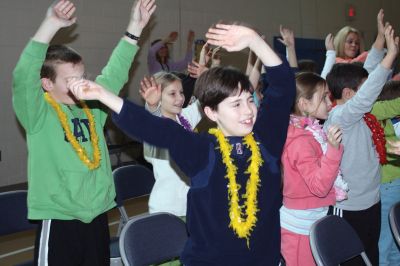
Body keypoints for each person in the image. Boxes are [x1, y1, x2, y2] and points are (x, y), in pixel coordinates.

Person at [67, 23, 296, 265]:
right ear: (211, 112)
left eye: (249, 101)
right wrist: (103, 95)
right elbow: (154, 128)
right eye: (235, 104)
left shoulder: (267, 140)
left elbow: (284, 85)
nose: (248, 111)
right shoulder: (202, 151)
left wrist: (253, 40)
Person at [12, 0, 155, 264]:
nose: (79, 84)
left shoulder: (93, 105)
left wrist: (135, 27)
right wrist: (51, 24)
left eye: (82, 75)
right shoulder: (37, 113)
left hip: (97, 215)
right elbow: (23, 76)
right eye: (69, 80)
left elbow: (115, 72)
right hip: (60, 218)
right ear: (46, 83)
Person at [323, 24, 399, 265]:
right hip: (349, 207)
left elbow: (365, 71)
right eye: (363, 91)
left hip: (372, 202)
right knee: (351, 260)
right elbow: (367, 93)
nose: (370, 95)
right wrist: (391, 56)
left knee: (372, 256)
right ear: (347, 94)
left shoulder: (361, 115)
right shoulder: (340, 116)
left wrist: (378, 42)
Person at [280, 72, 343, 266]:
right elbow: (319, 186)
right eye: (323, 97)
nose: (330, 102)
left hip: (310, 219)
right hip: (300, 228)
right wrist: (333, 151)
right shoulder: (300, 141)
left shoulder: (308, 133)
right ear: (304, 104)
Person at [139, 72, 202, 217]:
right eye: (172, 94)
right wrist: (152, 105)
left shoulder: (184, 118)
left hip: (192, 204)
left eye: (181, 92)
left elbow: (211, 96)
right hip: (169, 210)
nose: (180, 98)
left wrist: (208, 72)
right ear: (157, 96)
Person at [370, 80, 400, 265]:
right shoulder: (374, 110)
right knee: (387, 241)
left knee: (391, 240)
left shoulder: (380, 116)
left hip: (391, 183)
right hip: (389, 184)